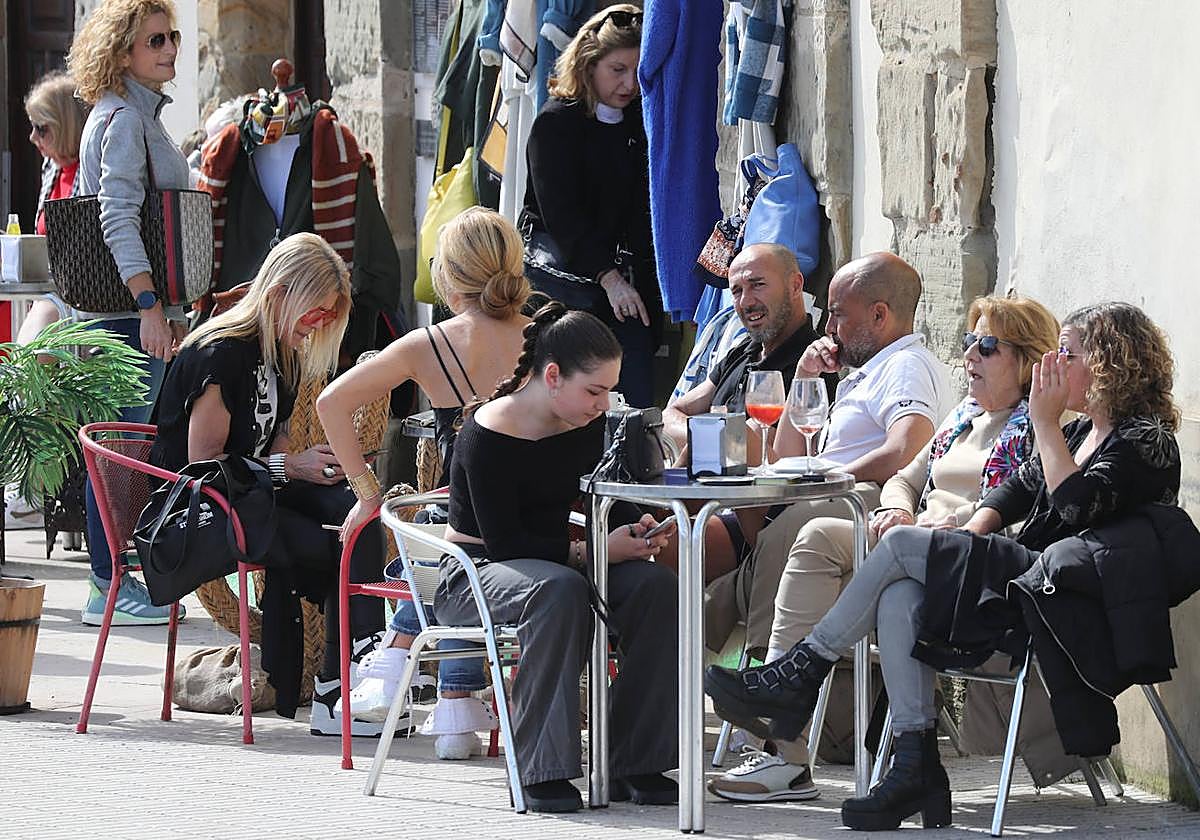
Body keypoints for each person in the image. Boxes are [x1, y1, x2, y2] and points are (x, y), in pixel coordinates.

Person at [705, 301, 1182, 831]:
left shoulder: (1145, 441)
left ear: (1110, 363)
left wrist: (1043, 422)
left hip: (1066, 602)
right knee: (900, 591)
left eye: (1066, 354)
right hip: (1028, 583)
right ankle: (915, 765)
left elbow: (1075, 507)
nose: (1054, 363)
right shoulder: (1075, 433)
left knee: (902, 550)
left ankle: (799, 673)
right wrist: (964, 547)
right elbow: (1012, 490)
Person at [707, 295, 1060, 803]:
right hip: (912, 544)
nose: (971, 357)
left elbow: (1020, 516)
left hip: (972, 569)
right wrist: (898, 509)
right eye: (968, 343)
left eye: (987, 346)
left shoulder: (1036, 428)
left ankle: (786, 697)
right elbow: (904, 477)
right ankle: (785, 740)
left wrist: (943, 523)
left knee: (822, 544)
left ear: (1026, 360)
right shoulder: (963, 417)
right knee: (816, 537)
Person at [431, 301, 679, 812]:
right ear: (552, 376)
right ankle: (540, 767)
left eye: (609, 390)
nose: (603, 403)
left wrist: (635, 526)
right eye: (594, 390)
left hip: (556, 568)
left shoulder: (584, 425)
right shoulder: (485, 435)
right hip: (474, 576)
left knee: (658, 588)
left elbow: (603, 499)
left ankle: (635, 761)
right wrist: (595, 553)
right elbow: (505, 544)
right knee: (558, 591)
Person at [316, 207, 531, 755]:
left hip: (456, 530)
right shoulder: (547, 337)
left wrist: (367, 495)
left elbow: (331, 403)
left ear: (447, 273)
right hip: (533, 523)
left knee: (439, 535)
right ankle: (454, 701)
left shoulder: (428, 344)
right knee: (453, 536)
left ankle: (398, 658)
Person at [149, 232, 384, 733]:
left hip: (247, 496)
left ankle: (346, 680)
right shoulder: (221, 354)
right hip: (192, 511)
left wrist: (310, 466)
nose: (318, 325)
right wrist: (291, 468)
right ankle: (342, 684)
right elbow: (202, 467)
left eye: (328, 317)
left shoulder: (282, 356)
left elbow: (270, 450)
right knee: (324, 547)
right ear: (280, 293)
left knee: (353, 514)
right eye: (314, 312)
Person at [703, 251, 951, 665]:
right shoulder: (867, 371)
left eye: (838, 315)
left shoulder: (905, 365)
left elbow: (906, 449)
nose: (829, 329)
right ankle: (686, 657)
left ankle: (768, 673)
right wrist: (804, 375)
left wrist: (827, 478)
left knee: (789, 528)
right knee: (712, 582)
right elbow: (786, 453)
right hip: (827, 501)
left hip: (866, 501)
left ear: (878, 315)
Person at [67, 0, 192, 625]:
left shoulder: (136, 114)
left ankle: (120, 578)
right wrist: (148, 305)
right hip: (123, 312)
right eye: (155, 40)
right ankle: (107, 583)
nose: (170, 48)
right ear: (122, 53)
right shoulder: (121, 119)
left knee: (130, 445)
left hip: (136, 308)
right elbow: (116, 218)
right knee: (120, 449)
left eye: (172, 36)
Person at [519, 4, 661, 407]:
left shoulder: (638, 120)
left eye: (636, 70)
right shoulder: (556, 124)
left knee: (635, 399)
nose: (629, 83)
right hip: (566, 284)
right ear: (588, 65)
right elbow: (561, 215)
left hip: (623, 285)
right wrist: (608, 277)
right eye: (617, 70)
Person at [3, 71, 89, 531]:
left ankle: (31, 486)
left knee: (31, 360)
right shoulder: (52, 169)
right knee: (20, 366)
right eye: (32, 128)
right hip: (51, 291)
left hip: (81, 295)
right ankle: (27, 482)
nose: (34, 139)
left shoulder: (89, 167)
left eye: (44, 128)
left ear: (68, 123)